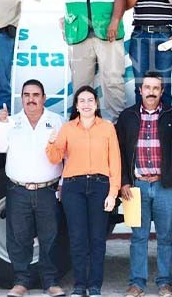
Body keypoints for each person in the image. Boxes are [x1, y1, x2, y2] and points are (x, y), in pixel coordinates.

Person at [116, 72, 172, 297]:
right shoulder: (127, 116)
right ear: (140, 91)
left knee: (165, 236)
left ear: (161, 92)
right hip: (136, 186)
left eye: (156, 88)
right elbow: (119, 152)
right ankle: (137, 283)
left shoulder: (171, 114)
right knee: (138, 237)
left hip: (164, 186)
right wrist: (124, 182)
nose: (151, 92)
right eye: (147, 87)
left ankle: (164, 282)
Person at [0, 80, 65, 297]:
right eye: (26, 95)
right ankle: (21, 282)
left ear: (43, 98)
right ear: (21, 98)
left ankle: (50, 282)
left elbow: (67, 153)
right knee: (18, 238)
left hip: (48, 190)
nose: (31, 99)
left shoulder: (57, 121)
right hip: (18, 190)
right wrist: (2, 123)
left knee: (50, 237)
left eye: (35, 94)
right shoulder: (12, 122)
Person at [46, 86, 121, 297]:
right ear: (77, 106)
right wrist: (51, 143)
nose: (86, 104)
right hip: (73, 187)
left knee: (97, 238)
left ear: (96, 104)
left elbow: (114, 161)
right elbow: (54, 158)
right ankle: (80, 286)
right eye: (82, 101)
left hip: (100, 186)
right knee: (77, 238)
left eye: (90, 100)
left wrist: (112, 193)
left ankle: (95, 286)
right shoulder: (68, 128)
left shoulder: (107, 128)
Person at [51, 0, 128, 122]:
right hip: (78, 36)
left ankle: (116, 128)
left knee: (113, 82)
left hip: (108, 34)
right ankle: (80, 128)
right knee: (81, 85)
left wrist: (115, 22)